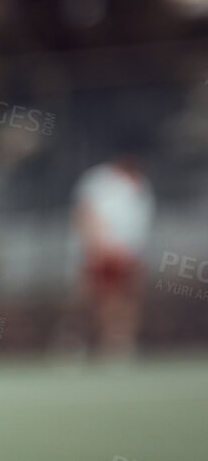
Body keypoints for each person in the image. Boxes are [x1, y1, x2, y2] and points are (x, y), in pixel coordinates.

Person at [71, 149, 155, 358]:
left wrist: (136, 253)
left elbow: (141, 224)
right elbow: (85, 213)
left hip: (130, 254)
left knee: (127, 301)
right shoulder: (99, 179)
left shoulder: (141, 185)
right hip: (102, 252)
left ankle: (119, 346)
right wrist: (96, 245)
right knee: (92, 300)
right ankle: (75, 344)